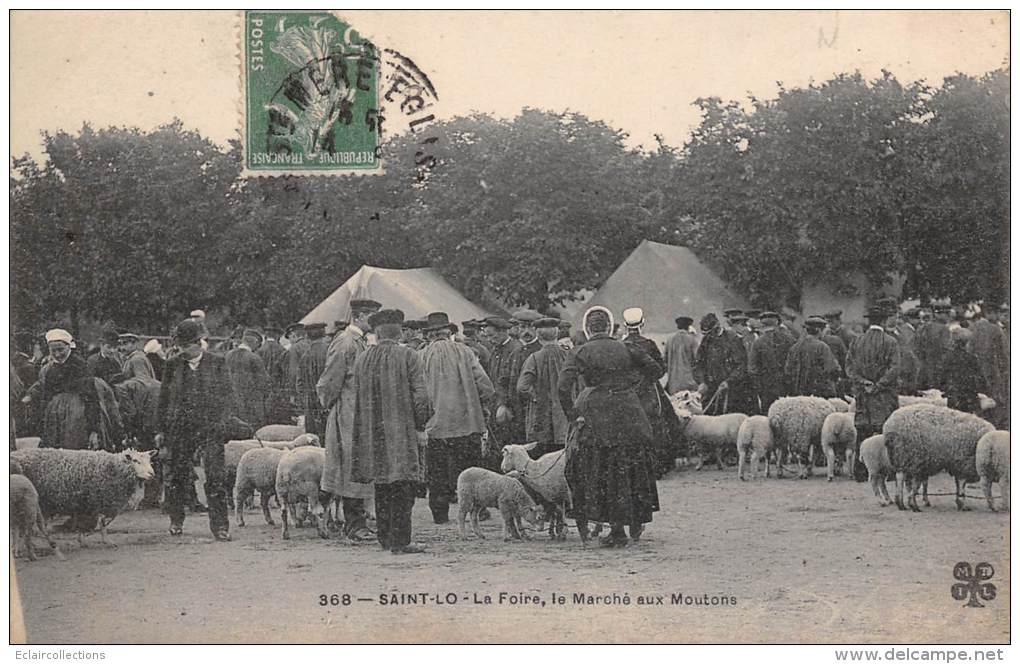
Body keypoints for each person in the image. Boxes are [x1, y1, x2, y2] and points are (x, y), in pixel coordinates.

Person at [558, 306, 660, 548]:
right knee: (630, 467)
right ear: (608, 327)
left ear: (588, 328)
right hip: (630, 413)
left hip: (597, 416)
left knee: (600, 469)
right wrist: (633, 388)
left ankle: (610, 527)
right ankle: (629, 523)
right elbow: (655, 369)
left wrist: (574, 415)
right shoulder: (627, 347)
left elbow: (563, 387)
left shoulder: (580, 351)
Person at [349, 309, 430, 554]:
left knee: (381, 483)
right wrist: (421, 424)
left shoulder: (363, 358)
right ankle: (401, 540)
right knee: (403, 483)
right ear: (399, 331)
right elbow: (422, 396)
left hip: (372, 432)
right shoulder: (409, 356)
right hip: (401, 429)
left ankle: (384, 537)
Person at [156, 319, 240, 541]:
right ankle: (176, 520)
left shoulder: (217, 362)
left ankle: (220, 526)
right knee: (177, 476)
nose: (183, 351)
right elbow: (163, 399)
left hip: (210, 429)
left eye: (187, 346)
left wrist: (222, 423)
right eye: (180, 346)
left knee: (215, 476)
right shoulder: (172, 365)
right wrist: (161, 429)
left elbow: (228, 396)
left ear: (198, 343)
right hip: (180, 429)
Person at [419, 311, 495, 524]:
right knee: (469, 471)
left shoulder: (421, 355)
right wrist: (482, 408)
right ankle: (477, 511)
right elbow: (485, 387)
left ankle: (440, 514)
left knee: (437, 473)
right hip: (467, 423)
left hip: (435, 425)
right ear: (449, 332)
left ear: (429, 334)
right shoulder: (466, 352)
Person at [317, 299, 380, 541]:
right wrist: (334, 404)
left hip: (358, 414)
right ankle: (352, 524)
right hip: (348, 415)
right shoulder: (345, 342)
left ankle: (351, 521)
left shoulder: (359, 341)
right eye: (371, 318)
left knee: (355, 468)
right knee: (348, 468)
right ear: (360, 316)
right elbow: (329, 380)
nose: (374, 324)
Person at [22, 329, 104, 450]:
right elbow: (46, 395)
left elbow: (91, 398)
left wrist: (94, 430)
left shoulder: (79, 366)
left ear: (69, 347)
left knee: (72, 445)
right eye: (53, 350)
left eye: (61, 349)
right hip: (55, 416)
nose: (57, 354)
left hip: (75, 414)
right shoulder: (51, 370)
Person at [845, 306, 901, 482]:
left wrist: (863, 382)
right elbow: (895, 368)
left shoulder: (857, 341)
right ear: (884, 321)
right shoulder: (890, 342)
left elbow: (849, 368)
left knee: (863, 431)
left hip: (863, 395)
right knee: (885, 430)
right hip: (883, 395)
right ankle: (889, 470)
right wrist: (879, 384)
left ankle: (861, 471)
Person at [621, 307, 678, 477]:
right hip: (649, 390)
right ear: (642, 323)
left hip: (627, 392)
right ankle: (658, 466)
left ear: (625, 326)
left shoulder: (621, 346)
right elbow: (661, 370)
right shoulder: (649, 344)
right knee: (661, 423)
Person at [517, 317, 572, 459]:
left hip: (541, 416)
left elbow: (522, 387)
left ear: (539, 336)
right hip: (565, 416)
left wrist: (536, 397)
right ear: (557, 334)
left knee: (541, 458)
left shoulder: (534, 358)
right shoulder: (568, 356)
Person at [693, 313, 754, 415]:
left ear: (717, 328)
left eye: (709, 333)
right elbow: (698, 364)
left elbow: (741, 365)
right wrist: (702, 382)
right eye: (705, 334)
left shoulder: (733, 339)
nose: (707, 336)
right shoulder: (706, 341)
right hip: (711, 389)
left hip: (732, 391)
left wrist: (729, 381)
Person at [483, 316, 523, 450]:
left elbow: (510, 381)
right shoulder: (495, 351)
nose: (489, 340)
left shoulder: (516, 350)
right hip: (496, 406)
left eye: (491, 336)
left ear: (502, 332)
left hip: (509, 409)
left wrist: (503, 404)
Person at [970, 300, 1010, 428]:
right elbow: (1004, 356)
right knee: (997, 405)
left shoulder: (974, 328)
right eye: (997, 312)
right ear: (989, 313)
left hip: (977, 374)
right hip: (994, 374)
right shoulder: (995, 330)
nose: (998, 315)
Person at [225, 329, 272, 430]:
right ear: (255, 342)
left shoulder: (228, 355)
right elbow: (264, 382)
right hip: (252, 403)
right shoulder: (254, 358)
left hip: (233, 400)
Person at [784, 316, 840, 397]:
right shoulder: (822, 347)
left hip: (797, 394)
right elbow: (831, 368)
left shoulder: (794, 347)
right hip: (818, 394)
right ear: (818, 330)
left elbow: (788, 370)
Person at [748, 311, 791, 413]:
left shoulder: (758, 343)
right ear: (777, 323)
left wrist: (760, 386)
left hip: (766, 388)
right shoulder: (789, 339)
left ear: (762, 325)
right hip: (786, 386)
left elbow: (752, 369)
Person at [939, 327, 987, 414]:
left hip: (953, 395)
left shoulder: (947, 357)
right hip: (969, 395)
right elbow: (980, 377)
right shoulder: (971, 358)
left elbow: (942, 377)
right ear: (966, 343)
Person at [297, 322, 330, 438]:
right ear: (324, 335)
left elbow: (299, 384)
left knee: (312, 438)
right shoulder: (330, 352)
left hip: (310, 405)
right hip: (327, 404)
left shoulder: (305, 356)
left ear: (308, 337)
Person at [257, 325, 291, 424]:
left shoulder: (259, 351)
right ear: (278, 336)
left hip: (262, 391)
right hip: (279, 391)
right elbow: (286, 373)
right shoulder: (283, 351)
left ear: (266, 336)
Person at [914, 304, 952, 390]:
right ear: (937, 314)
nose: (948, 316)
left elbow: (916, 347)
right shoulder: (944, 329)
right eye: (946, 314)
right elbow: (946, 349)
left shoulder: (922, 327)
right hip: (938, 368)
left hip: (923, 367)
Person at [664, 316, 699, 395]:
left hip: (673, 385)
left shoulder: (669, 340)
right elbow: (698, 360)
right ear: (688, 326)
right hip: (690, 384)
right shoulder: (692, 339)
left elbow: (664, 361)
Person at [284, 323, 310, 413]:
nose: (290, 341)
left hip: (300, 391)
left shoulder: (294, 349)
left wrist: (292, 394)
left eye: (290, 338)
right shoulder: (311, 345)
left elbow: (293, 373)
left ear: (294, 335)